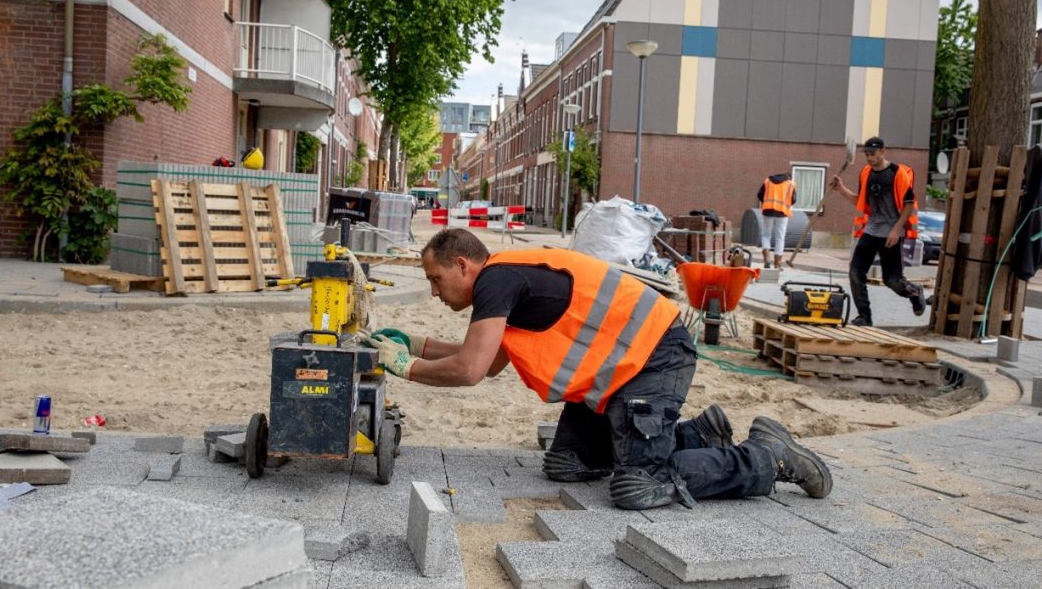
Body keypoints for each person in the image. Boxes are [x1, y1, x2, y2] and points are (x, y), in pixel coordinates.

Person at [366, 228, 832, 510]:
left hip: (654, 357)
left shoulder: (497, 281)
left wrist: (405, 367)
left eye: (436, 279)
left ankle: (769, 458)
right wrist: (416, 344)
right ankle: (698, 436)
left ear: (463, 266)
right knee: (567, 463)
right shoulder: (505, 279)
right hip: (620, 374)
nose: (433, 292)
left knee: (637, 487)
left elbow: (468, 370)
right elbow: (488, 364)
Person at [829, 136, 926, 327]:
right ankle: (864, 317)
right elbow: (862, 202)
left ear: (883, 151)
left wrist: (896, 230)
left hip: (892, 231)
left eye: (872, 154)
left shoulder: (898, 173)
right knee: (855, 273)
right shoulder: (866, 173)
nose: (869, 158)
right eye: (866, 154)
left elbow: (908, 204)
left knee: (892, 280)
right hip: (872, 229)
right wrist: (841, 189)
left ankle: (914, 292)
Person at [756, 172, 797, 269]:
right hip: (782, 213)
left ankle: (767, 258)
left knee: (766, 235)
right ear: (788, 177)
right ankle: (777, 264)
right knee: (780, 238)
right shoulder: (790, 184)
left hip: (768, 211)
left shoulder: (768, 181)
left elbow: (759, 194)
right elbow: (794, 199)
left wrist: (766, 202)